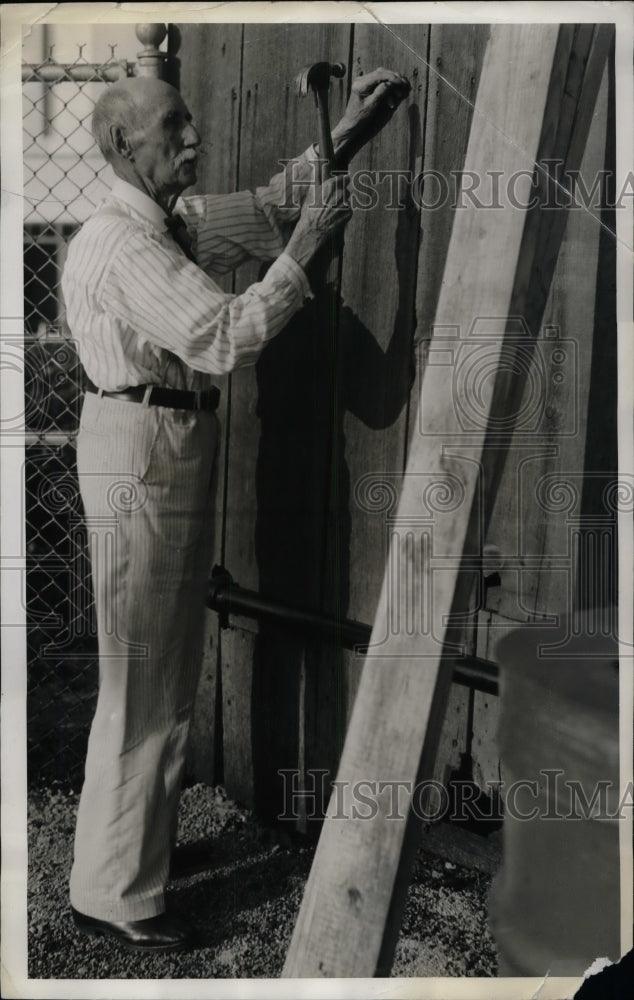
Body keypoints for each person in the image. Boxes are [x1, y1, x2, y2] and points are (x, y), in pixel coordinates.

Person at [61, 67, 410, 952]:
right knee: (144, 680)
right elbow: (224, 337)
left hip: (162, 446)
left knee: (162, 676)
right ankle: (116, 895)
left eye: (188, 124)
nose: (193, 139)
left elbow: (267, 202)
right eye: (174, 127)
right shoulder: (125, 245)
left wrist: (353, 130)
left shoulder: (167, 222)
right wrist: (304, 258)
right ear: (122, 147)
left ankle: (126, 864)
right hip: (143, 451)